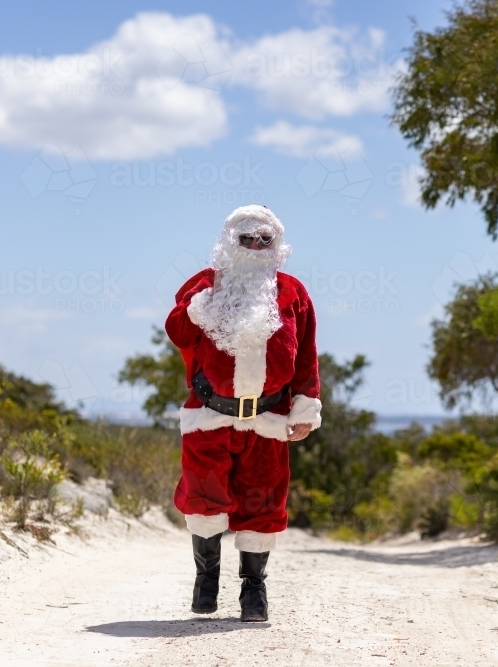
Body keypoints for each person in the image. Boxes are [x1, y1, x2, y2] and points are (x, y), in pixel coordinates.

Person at [165, 205, 321, 621]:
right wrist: (198, 307)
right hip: (208, 419)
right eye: (246, 238)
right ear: (229, 241)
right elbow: (177, 331)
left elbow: (305, 356)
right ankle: (207, 579)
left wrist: (305, 408)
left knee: (264, 504)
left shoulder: (292, 293)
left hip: (268, 422)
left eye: (264, 239)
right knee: (203, 500)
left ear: (276, 245)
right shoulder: (205, 284)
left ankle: (254, 591)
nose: (255, 246)